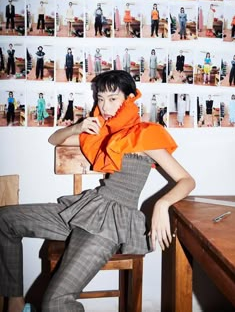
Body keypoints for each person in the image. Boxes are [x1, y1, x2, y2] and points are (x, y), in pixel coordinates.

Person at [0, 70, 195, 312]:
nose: (104, 105)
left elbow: (186, 180)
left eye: (112, 98)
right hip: (87, 208)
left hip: (111, 223)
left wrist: (162, 204)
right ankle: (15, 301)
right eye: (100, 98)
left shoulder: (144, 134)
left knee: (55, 303)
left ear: (130, 98)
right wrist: (77, 127)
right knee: (5, 220)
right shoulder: (101, 131)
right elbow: (54, 139)